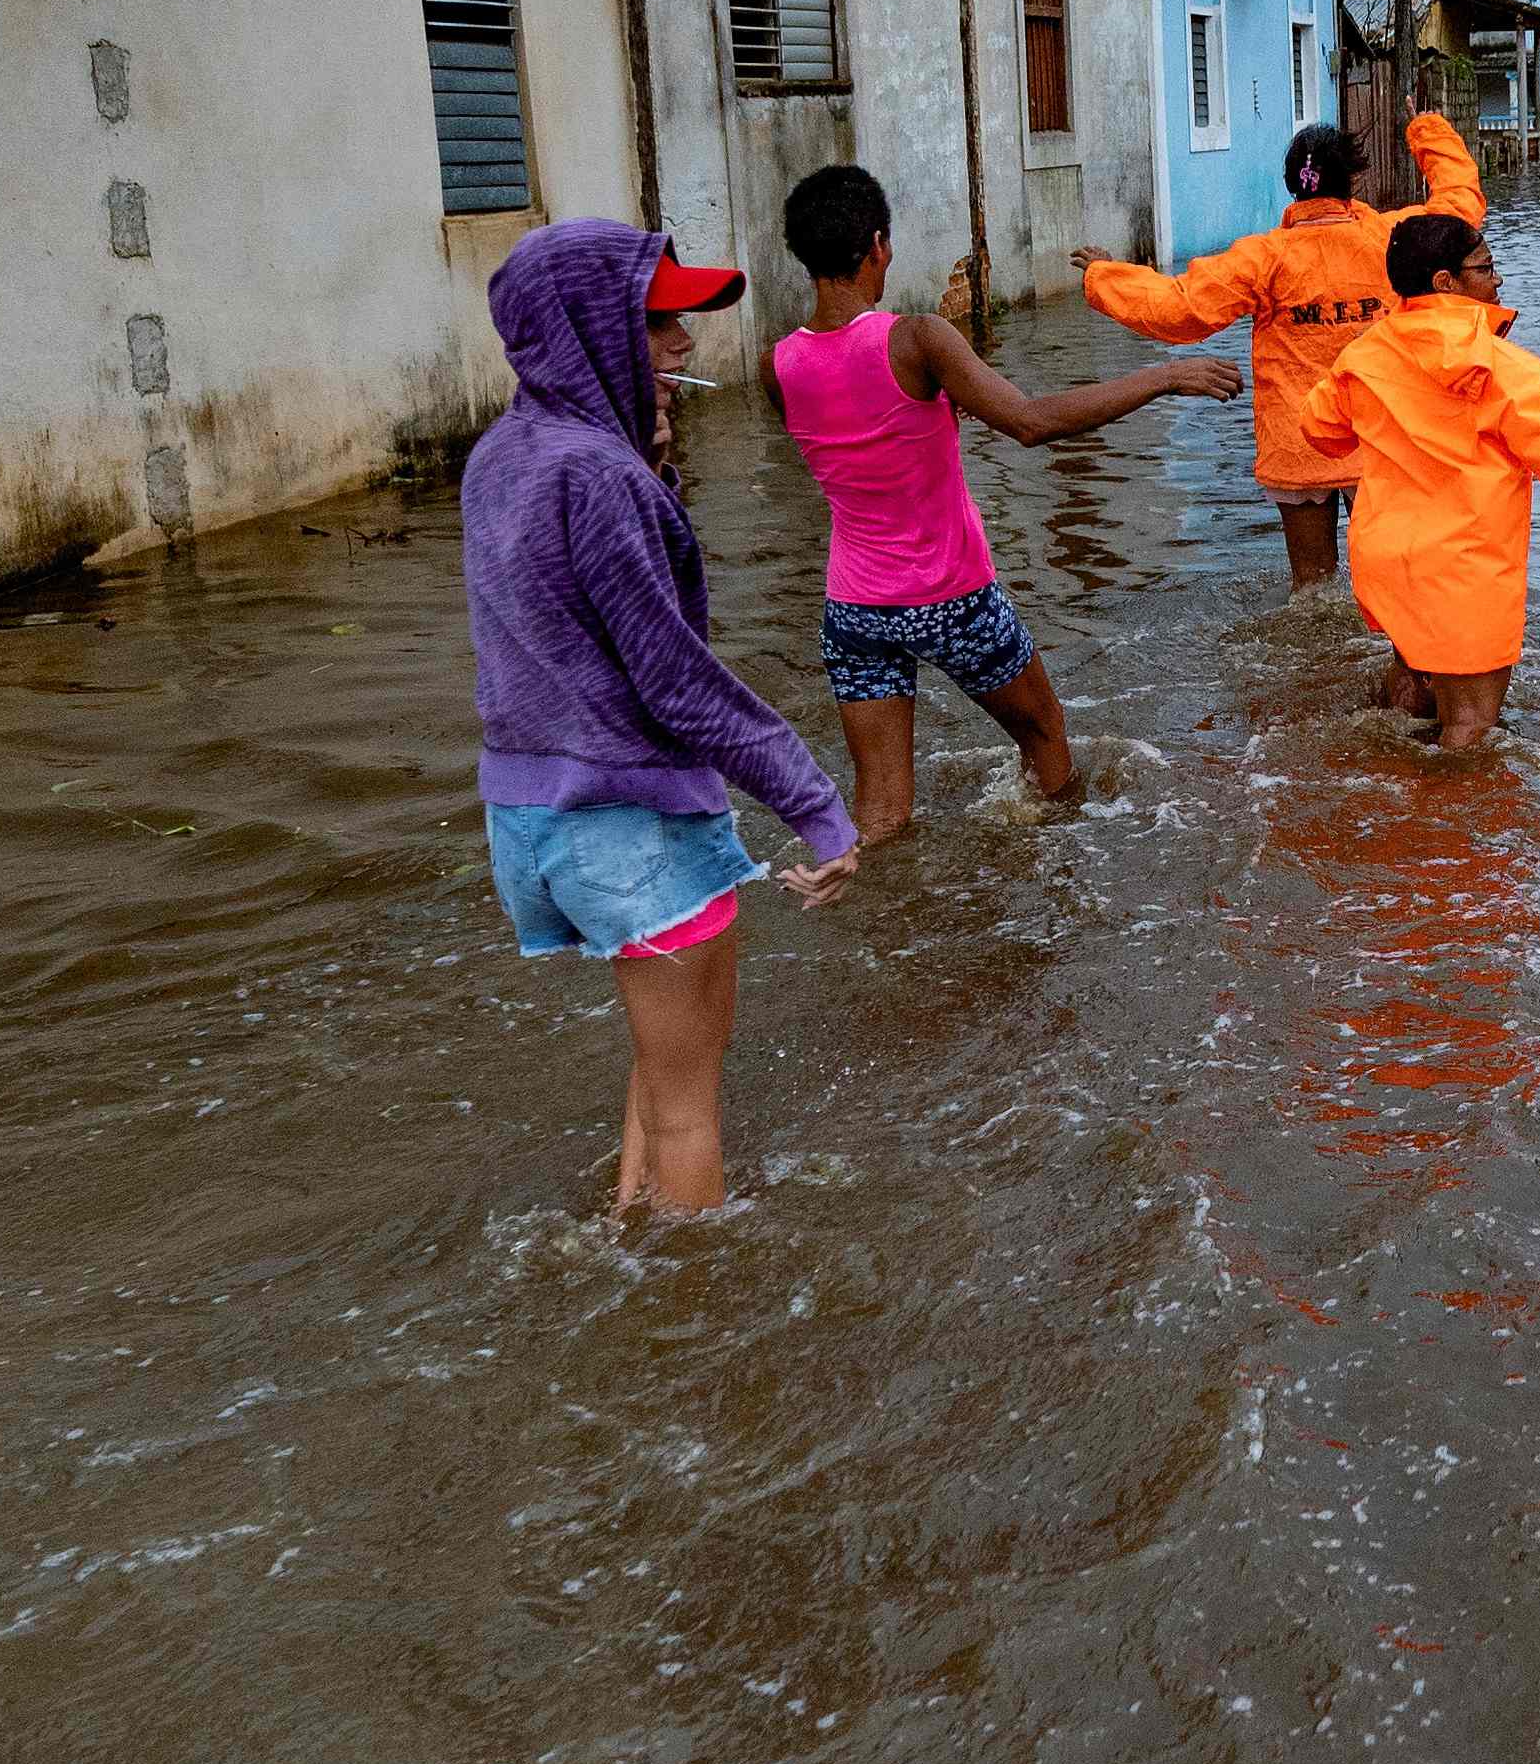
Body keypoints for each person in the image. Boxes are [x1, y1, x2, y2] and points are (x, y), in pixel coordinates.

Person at [463, 220, 861, 1220]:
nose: (683, 343)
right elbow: (676, 684)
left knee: (658, 1069)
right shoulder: (599, 476)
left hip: (532, 821)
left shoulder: (502, 456)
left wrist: (655, 463)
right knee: (693, 1110)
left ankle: (624, 1227)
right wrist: (818, 808)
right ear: (588, 331)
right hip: (631, 821)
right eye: (655, 323)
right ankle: (699, 1318)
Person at [775, 164, 1238, 843]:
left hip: (854, 609)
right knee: (1046, 736)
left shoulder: (777, 364)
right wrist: (1164, 376)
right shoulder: (918, 338)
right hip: (949, 596)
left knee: (879, 810)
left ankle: (874, 920)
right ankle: (1057, 886)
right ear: (879, 245)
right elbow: (1029, 421)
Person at [1304, 211, 1540, 751]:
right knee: (1470, 730)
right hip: (1465, 569)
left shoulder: (1362, 356)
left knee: (1409, 693)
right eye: (1486, 267)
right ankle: (1447, 826)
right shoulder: (1503, 366)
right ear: (1446, 282)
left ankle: (1385, 799)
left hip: (1388, 560)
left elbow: (1319, 430)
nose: (1498, 279)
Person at [1071, 105, 1485, 591]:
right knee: (1397, 585)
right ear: (1351, 182)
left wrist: (1104, 275)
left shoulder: (1264, 257)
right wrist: (1428, 129)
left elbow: (1177, 309)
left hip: (1299, 440)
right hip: (1380, 440)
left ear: (1293, 185)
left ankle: (1312, 667)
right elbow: (1460, 207)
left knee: (1311, 589)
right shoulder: (1392, 240)